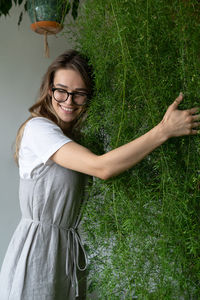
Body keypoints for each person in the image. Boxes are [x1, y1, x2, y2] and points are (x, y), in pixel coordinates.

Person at [0, 49, 199, 300]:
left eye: (79, 94)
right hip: (39, 254)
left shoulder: (74, 140)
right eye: (61, 90)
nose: (69, 102)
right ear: (48, 89)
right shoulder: (38, 130)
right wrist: (163, 130)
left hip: (66, 256)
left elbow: (115, 164)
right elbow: (102, 167)